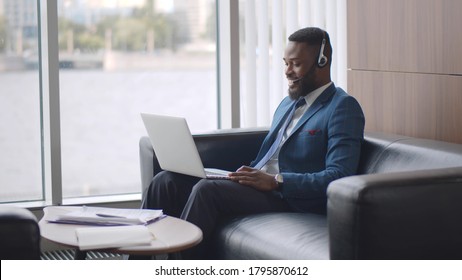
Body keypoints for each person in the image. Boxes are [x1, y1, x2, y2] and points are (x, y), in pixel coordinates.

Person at [142, 27, 365, 259]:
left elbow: (339, 175)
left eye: (296, 64)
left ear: (322, 62)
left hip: (289, 197)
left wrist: (277, 181)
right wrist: (246, 176)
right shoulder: (287, 105)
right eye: (285, 63)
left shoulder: (342, 107)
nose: (287, 71)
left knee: (207, 191)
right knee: (165, 181)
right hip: (259, 184)